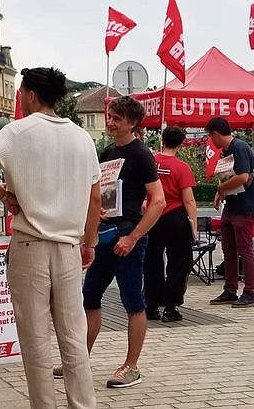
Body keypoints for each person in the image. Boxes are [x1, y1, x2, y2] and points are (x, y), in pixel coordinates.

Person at [0, 67, 100, 408]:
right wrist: (90, 242)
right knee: (73, 337)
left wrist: (2, 194)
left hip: (30, 247)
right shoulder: (82, 137)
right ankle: (83, 404)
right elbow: (96, 197)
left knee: (35, 340)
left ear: (28, 94)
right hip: (70, 247)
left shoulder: (16, 132)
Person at [75, 96, 166, 388]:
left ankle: (131, 366)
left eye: (116, 118)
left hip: (127, 235)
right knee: (89, 296)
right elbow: (97, 191)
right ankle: (79, 360)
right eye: (109, 116)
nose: (110, 122)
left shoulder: (141, 155)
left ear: (132, 122)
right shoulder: (107, 152)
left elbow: (158, 201)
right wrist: (95, 213)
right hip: (104, 234)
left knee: (133, 301)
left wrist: (133, 236)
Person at [206, 117, 254, 308]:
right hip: (232, 205)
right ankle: (230, 289)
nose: (211, 141)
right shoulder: (227, 151)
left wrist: (221, 188)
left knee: (245, 250)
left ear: (216, 134)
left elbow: (242, 177)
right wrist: (221, 191)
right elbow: (229, 176)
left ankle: (249, 292)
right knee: (228, 249)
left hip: (245, 206)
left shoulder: (240, 147)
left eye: (210, 136)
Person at [144, 127, 198, 323]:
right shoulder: (182, 168)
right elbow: (189, 201)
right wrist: (193, 226)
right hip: (175, 217)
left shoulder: (151, 163)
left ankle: (150, 305)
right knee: (179, 263)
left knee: (152, 262)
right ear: (181, 143)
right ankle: (170, 307)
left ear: (163, 140)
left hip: (153, 217)